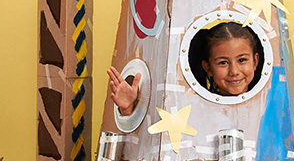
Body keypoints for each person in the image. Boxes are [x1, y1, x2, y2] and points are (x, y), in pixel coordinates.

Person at [108, 21, 262, 115]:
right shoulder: (192, 108)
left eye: (242, 60)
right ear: (208, 68)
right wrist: (128, 109)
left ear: (255, 61)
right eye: (223, 62)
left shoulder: (268, 108)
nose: (234, 71)